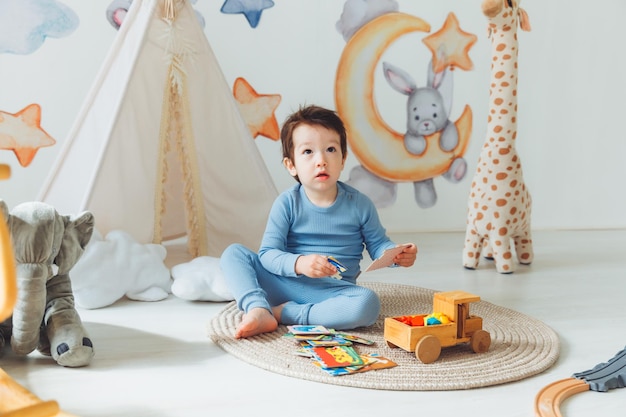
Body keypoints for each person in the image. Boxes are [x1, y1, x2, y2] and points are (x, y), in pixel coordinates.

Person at [220, 105, 418, 339]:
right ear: (290, 165)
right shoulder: (287, 203)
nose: (321, 160)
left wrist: (394, 254)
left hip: (332, 293)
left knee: (367, 303)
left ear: (343, 159)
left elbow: (378, 244)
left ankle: (284, 313)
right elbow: (268, 254)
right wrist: (299, 263)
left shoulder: (360, 204)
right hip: (283, 283)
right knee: (234, 254)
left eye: (331, 149)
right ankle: (257, 307)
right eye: (308, 152)